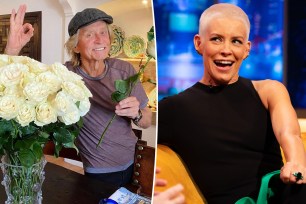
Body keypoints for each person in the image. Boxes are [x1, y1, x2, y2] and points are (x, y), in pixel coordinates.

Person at [158, 3, 306, 204]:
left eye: (236, 41)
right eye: (217, 39)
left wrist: (296, 163)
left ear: (246, 50)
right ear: (199, 43)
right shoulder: (173, 108)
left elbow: (289, 134)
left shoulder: (269, 90)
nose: (226, 50)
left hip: (283, 194)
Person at [6, 5, 152, 187]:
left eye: (103, 32)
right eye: (89, 35)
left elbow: (146, 119)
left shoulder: (124, 70)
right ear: (75, 46)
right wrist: (12, 49)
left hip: (134, 163)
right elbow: (12, 85)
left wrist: (136, 113)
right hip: (97, 172)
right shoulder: (64, 76)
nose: (100, 40)